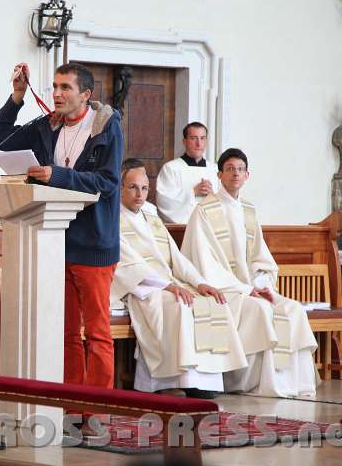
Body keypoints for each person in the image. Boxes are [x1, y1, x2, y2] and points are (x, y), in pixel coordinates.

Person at [0, 62, 123, 392]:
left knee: (97, 333)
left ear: (85, 94)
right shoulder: (48, 125)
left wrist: (57, 175)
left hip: (93, 242)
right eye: (55, 87)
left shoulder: (105, 126)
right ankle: (72, 403)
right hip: (54, 241)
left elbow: (107, 182)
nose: (57, 94)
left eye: (65, 88)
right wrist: (17, 96)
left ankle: (99, 407)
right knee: (66, 332)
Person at [182, 148, 319, 397]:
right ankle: (252, 382)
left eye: (240, 169)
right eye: (230, 169)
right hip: (225, 291)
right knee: (261, 310)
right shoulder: (204, 211)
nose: (236, 174)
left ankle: (291, 383)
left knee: (293, 310)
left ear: (247, 175)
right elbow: (205, 264)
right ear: (219, 175)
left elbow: (259, 257)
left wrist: (261, 282)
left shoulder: (248, 210)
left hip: (250, 287)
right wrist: (246, 289)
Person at [111, 166, 247, 397]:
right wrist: (167, 286)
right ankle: (170, 381)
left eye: (144, 188)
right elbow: (130, 265)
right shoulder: (114, 222)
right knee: (180, 305)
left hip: (168, 283)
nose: (139, 194)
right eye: (133, 187)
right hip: (143, 288)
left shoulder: (153, 220)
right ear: (121, 189)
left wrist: (200, 283)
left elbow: (178, 259)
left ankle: (203, 380)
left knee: (211, 302)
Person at [155, 122, 219, 224]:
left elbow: (224, 201)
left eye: (202, 138)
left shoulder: (215, 169)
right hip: (182, 229)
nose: (199, 143)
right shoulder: (171, 168)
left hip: (210, 226)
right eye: (193, 138)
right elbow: (164, 201)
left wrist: (212, 195)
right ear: (184, 141)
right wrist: (193, 192)